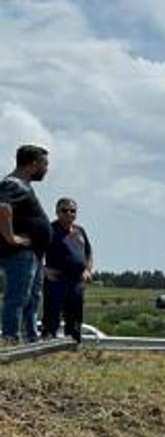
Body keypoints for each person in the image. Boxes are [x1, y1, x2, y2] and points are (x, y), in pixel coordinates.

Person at [0, 145, 52, 344]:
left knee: (31, 299)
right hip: (20, 253)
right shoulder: (13, 184)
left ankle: (31, 339)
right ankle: (10, 338)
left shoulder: (23, 185)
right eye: (44, 164)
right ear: (33, 164)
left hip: (33, 254)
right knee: (18, 296)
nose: (46, 169)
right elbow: (3, 207)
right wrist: (11, 237)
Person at [40, 197, 92, 342]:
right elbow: (35, 252)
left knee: (75, 319)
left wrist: (87, 269)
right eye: (64, 210)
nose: (69, 213)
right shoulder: (49, 230)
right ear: (57, 212)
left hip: (76, 282)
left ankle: (73, 348)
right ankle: (46, 347)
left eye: (72, 211)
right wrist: (44, 269)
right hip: (56, 281)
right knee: (51, 317)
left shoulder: (80, 231)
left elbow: (88, 252)